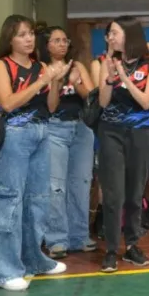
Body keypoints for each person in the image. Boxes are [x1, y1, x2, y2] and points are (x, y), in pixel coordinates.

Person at [0, 14, 68, 291]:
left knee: (38, 200)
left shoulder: (40, 66)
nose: (29, 38)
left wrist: (54, 81)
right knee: (10, 199)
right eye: (22, 34)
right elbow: (7, 103)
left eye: (31, 33)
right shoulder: (1, 65)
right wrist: (42, 81)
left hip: (42, 133)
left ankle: (34, 259)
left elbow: (52, 106)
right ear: (9, 38)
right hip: (14, 136)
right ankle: (5, 270)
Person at [97, 16, 149, 272]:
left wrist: (124, 75)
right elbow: (102, 102)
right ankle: (112, 249)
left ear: (129, 35)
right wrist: (111, 78)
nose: (110, 37)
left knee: (135, 193)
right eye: (110, 33)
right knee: (113, 194)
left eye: (114, 33)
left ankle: (132, 244)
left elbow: (146, 102)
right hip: (110, 131)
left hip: (140, 132)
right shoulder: (106, 62)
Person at [38, 25, 97, 257]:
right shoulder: (42, 68)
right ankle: (57, 239)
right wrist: (61, 82)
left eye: (65, 40)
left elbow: (92, 99)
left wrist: (77, 83)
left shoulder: (78, 66)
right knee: (56, 186)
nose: (62, 44)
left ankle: (79, 236)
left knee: (81, 182)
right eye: (56, 40)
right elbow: (49, 104)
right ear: (47, 45)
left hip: (82, 128)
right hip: (55, 129)